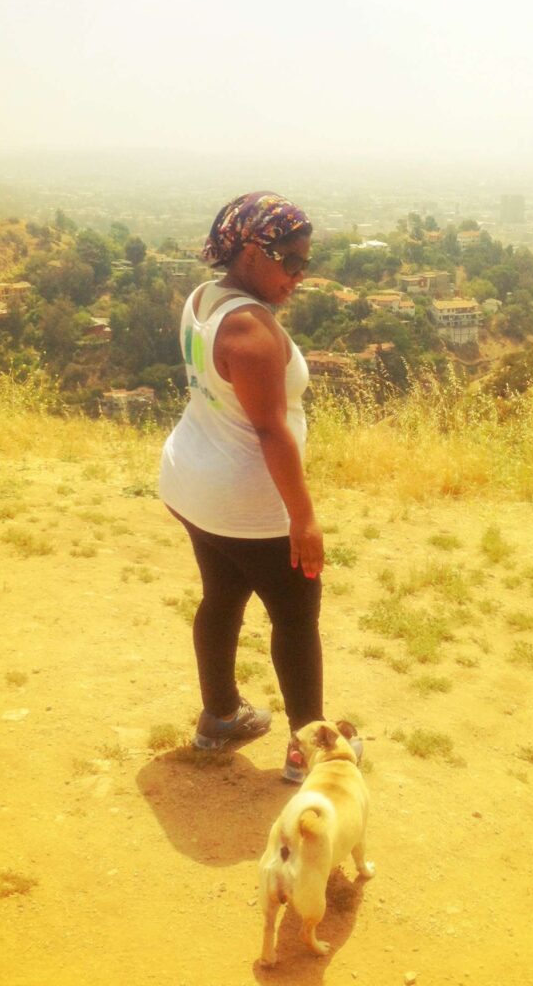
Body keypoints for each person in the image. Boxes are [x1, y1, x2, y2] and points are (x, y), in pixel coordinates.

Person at [159, 191, 347, 783]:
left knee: (221, 596)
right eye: (288, 260)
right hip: (246, 500)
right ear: (249, 253)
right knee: (296, 617)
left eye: (305, 261)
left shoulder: (204, 299)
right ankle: (309, 747)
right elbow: (270, 430)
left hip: (194, 484)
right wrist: (303, 518)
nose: (298, 274)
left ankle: (219, 717)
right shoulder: (249, 328)